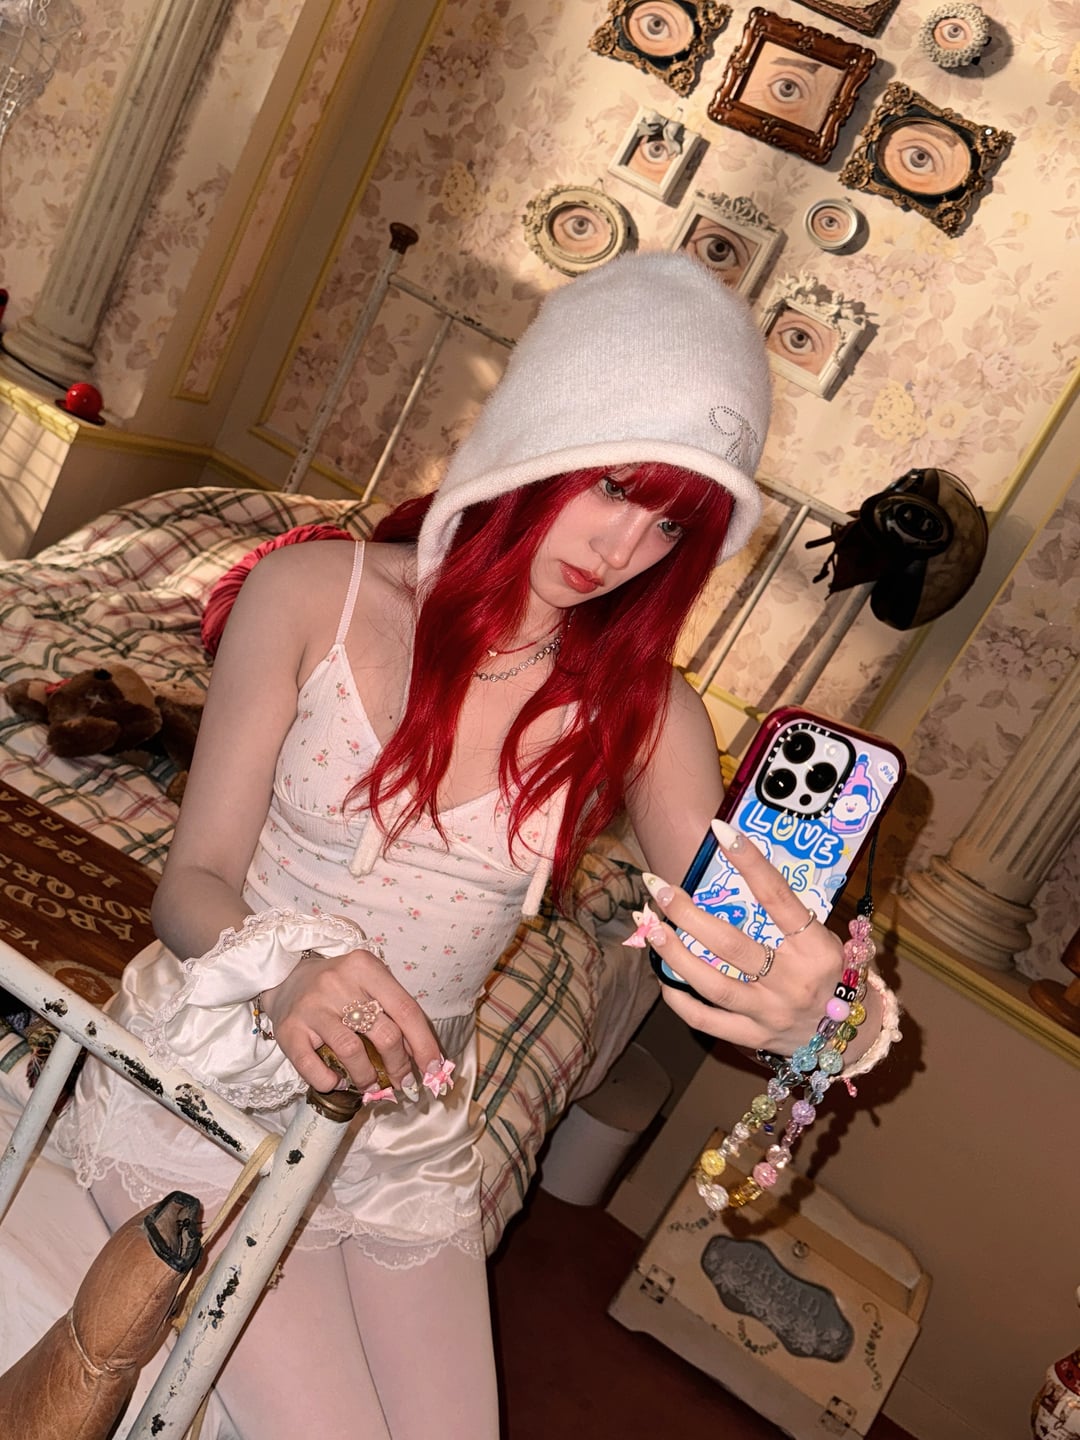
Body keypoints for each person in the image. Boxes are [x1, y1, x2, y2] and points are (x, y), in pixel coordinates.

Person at [61, 252, 889, 1440]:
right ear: (541, 430)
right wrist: (287, 969)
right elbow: (188, 887)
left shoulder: (646, 711)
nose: (624, 548)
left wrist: (832, 1017)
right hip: (214, 1073)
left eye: (669, 524)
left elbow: (743, 949)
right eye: (614, 484)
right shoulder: (313, 592)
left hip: (401, 1133)